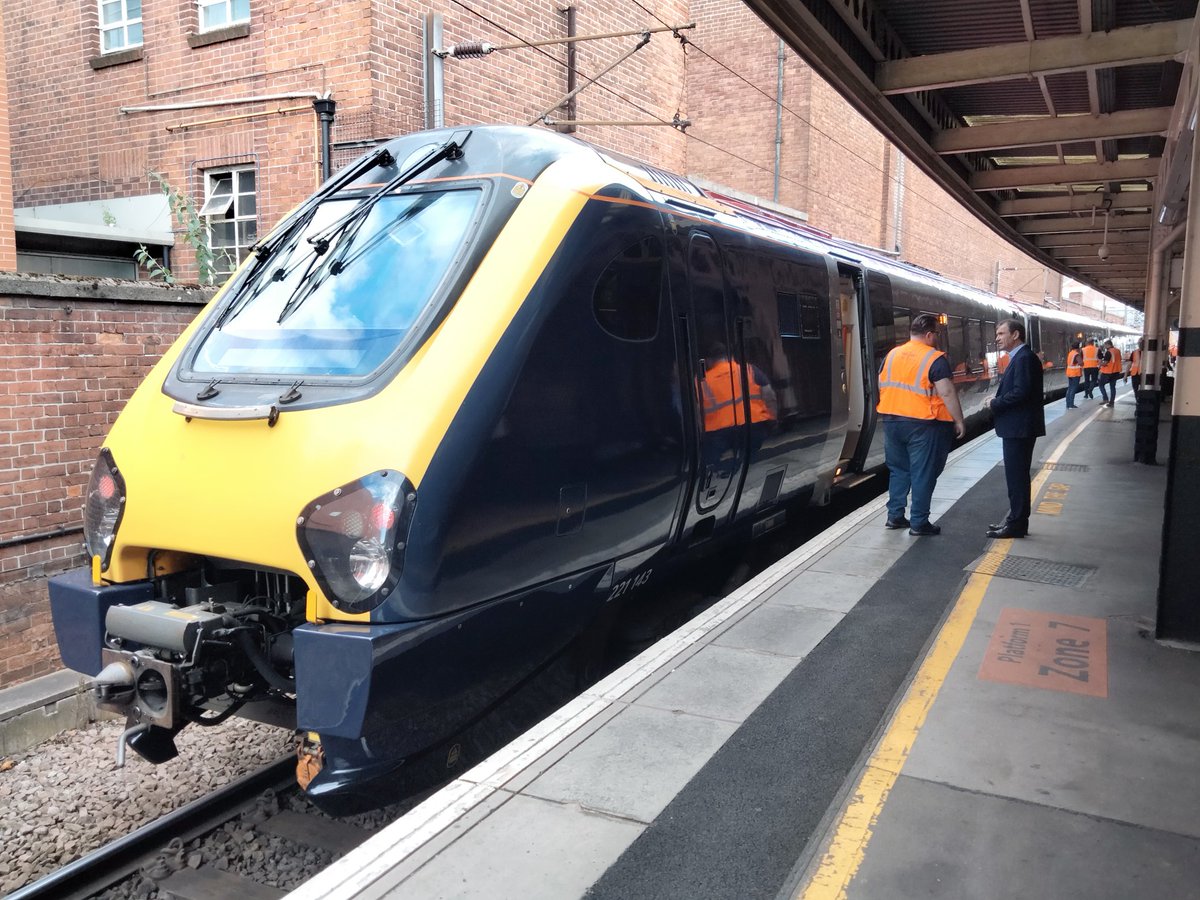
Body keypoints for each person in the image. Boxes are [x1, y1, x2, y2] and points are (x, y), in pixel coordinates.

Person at [877, 313, 966, 536]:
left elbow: (882, 384)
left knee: (899, 470)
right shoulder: (934, 358)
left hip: (891, 420)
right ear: (929, 334)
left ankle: (895, 516)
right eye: (936, 333)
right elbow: (946, 391)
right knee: (923, 473)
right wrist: (958, 420)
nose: (937, 338)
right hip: (922, 424)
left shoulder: (892, 355)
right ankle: (919, 522)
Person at [987, 318, 1045, 539]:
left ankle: (1017, 524)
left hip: (1019, 428)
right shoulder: (1021, 357)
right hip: (1018, 427)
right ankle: (1015, 520)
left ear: (1015, 335)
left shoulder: (1023, 359)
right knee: (1016, 476)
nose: (997, 338)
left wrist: (995, 402)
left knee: (1017, 477)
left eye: (1001, 333)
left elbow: (1021, 393)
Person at [1098, 339, 1121, 408]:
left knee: (1101, 384)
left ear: (1108, 345)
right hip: (1116, 371)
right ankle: (1111, 403)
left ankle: (1105, 399)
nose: (1104, 346)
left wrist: (1100, 363)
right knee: (1112, 387)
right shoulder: (1118, 351)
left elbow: (1105, 363)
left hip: (1108, 372)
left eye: (1105, 345)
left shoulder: (1109, 352)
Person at [1065, 341, 1082, 409]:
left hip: (1069, 373)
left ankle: (1068, 404)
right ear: (1078, 347)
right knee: (1073, 389)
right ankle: (1071, 404)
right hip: (1075, 373)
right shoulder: (1076, 354)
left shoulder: (1070, 353)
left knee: (1070, 388)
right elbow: (1081, 362)